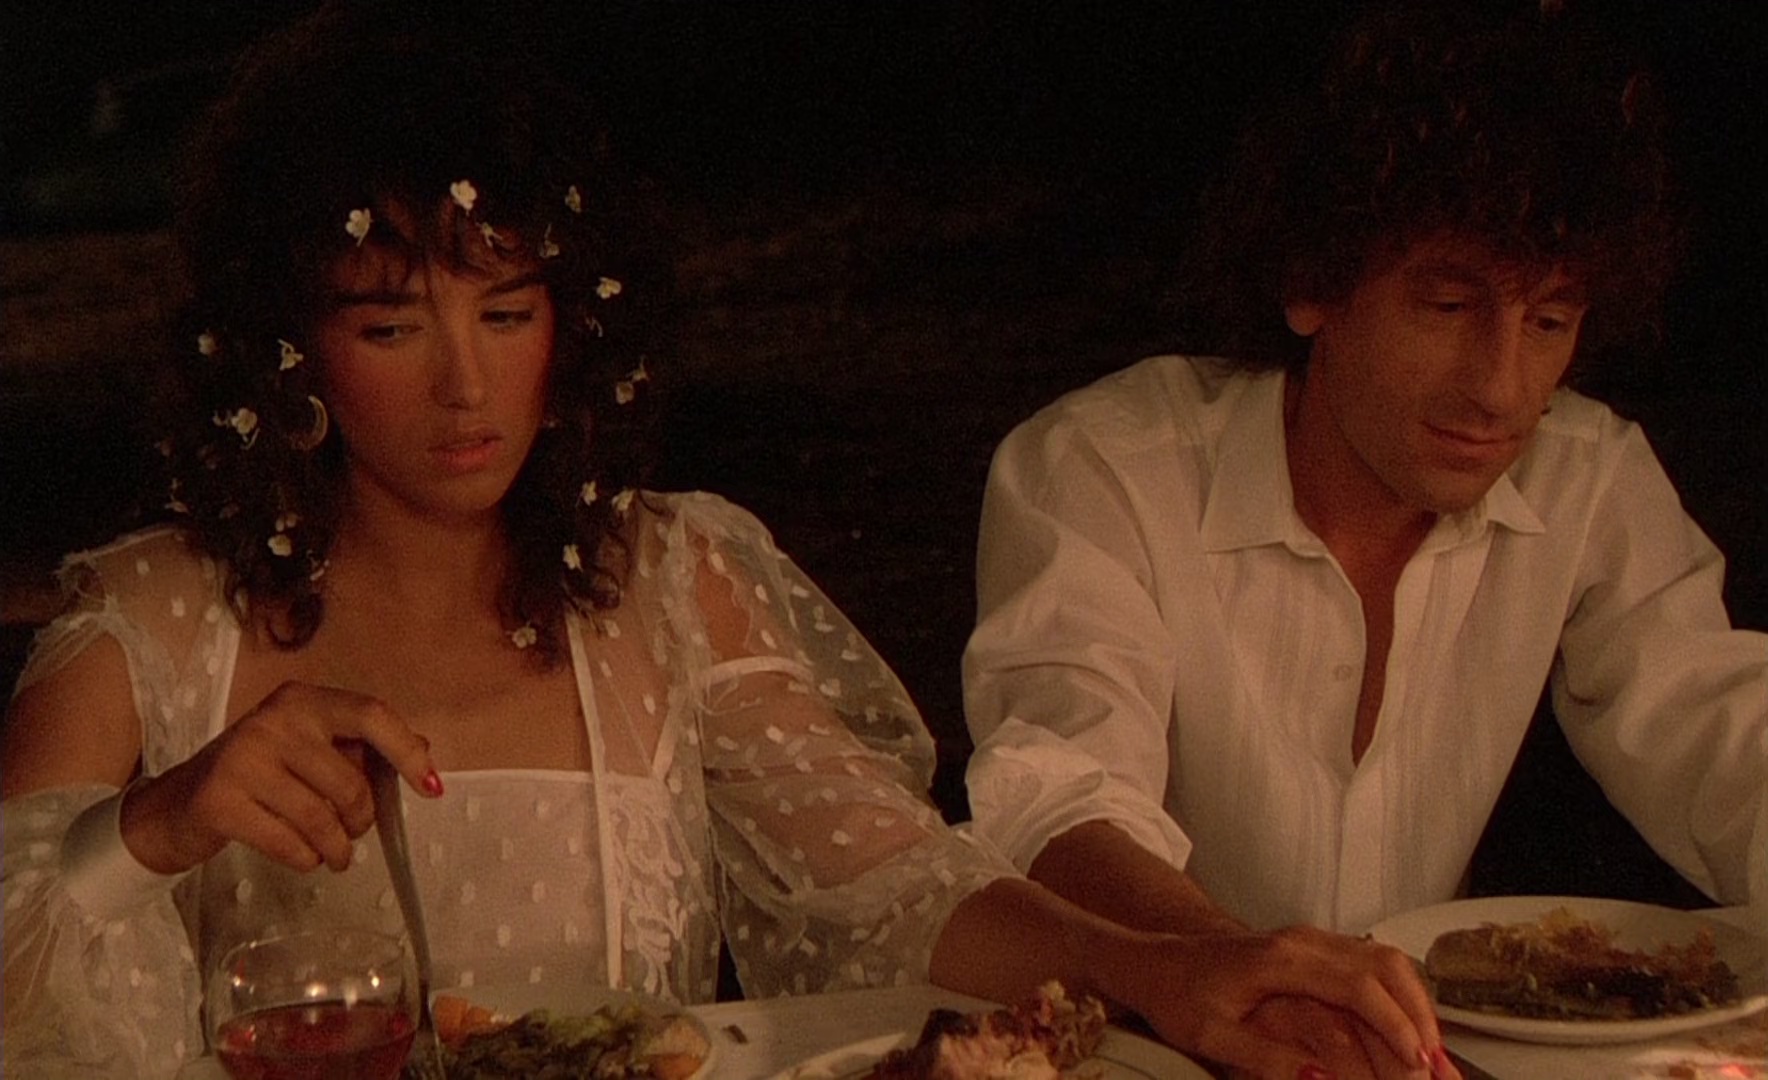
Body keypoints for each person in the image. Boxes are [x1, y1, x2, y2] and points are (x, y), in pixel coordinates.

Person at [0, 5, 1452, 1080]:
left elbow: (892, 890)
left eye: (507, 313)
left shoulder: (660, 587)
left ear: (574, 322)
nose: (466, 387)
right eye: (391, 328)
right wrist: (153, 829)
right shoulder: (145, 631)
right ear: (286, 353)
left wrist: (1173, 970)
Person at [963, 1, 1767, 1077]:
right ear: (1312, 284)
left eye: (1548, 322)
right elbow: (1057, 799)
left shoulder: (1589, 476)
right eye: (1448, 307)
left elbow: (1724, 732)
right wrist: (1235, 969)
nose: (1501, 390)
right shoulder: (1103, 466)